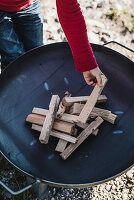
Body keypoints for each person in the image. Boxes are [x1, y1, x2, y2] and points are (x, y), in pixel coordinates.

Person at [0, 0, 102, 87]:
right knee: (14, 59)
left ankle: (35, 95)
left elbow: (70, 12)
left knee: (36, 55)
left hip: (28, 5)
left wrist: (87, 63)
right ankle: (12, 100)